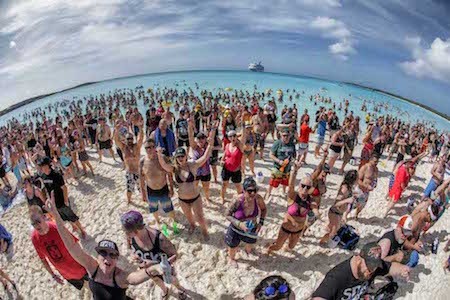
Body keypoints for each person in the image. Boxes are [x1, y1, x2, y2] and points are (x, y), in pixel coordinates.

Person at [45, 192, 165, 300]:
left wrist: (152, 270)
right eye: (103, 253)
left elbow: (134, 278)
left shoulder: (119, 276)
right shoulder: (92, 267)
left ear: (117, 259)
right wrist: (56, 215)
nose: (107, 258)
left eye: (112, 255)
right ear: (97, 256)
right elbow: (71, 245)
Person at [157, 129, 216, 240]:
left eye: (182, 156)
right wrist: (159, 155)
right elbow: (164, 166)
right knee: (189, 217)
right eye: (178, 157)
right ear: (176, 158)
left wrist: (210, 140)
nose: (180, 159)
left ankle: (204, 231)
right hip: (182, 199)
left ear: (186, 156)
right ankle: (192, 225)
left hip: (195, 198)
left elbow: (205, 157)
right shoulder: (174, 169)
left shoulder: (192, 165)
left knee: (200, 218)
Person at [120, 211, 186, 299]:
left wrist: (154, 263)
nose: (125, 233)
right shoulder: (130, 237)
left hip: (164, 267)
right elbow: (131, 248)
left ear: (136, 230)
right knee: (156, 280)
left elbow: (174, 255)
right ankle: (165, 290)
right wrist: (136, 255)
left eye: (127, 231)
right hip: (148, 268)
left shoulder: (159, 238)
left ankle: (179, 288)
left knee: (173, 279)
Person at [312, 242, 410, 300]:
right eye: (369, 267)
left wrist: (403, 270)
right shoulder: (337, 277)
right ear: (359, 259)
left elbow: (392, 267)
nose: (371, 271)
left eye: (375, 267)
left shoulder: (373, 267)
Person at [30, 205, 89, 290]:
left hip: (81, 268)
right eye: (33, 223)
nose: (36, 226)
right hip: (67, 275)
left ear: (44, 217)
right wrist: (53, 275)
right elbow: (43, 259)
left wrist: (85, 262)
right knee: (83, 287)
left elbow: (75, 244)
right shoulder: (34, 238)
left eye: (38, 221)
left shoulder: (56, 228)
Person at [266, 163, 312, 254]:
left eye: (308, 187)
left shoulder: (310, 200)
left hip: (298, 230)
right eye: (303, 185)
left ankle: (286, 249)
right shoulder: (293, 196)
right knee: (277, 246)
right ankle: (268, 250)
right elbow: (290, 185)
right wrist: (294, 171)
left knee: (291, 246)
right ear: (299, 186)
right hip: (286, 228)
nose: (305, 188)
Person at [38, 157, 87, 238]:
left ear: (47, 165)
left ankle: (82, 230)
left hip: (62, 201)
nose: (41, 168)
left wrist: (66, 200)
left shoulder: (56, 175)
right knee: (64, 217)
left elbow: (64, 188)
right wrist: (49, 200)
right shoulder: (43, 176)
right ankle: (73, 227)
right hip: (55, 203)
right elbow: (47, 189)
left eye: (42, 166)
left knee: (72, 216)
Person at [225, 177, 267, 266]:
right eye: (250, 191)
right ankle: (232, 258)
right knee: (232, 246)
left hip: (252, 227)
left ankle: (248, 252)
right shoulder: (237, 200)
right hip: (236, 228)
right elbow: (227, 215)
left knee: (249, 244)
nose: (253, 193)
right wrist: (240, 224)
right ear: (244, 191)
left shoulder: (258, 199)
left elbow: (263, 210)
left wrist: (261, 223)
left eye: (255, 190)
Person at [139, 139, 177, 234]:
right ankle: (158, 221)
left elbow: (169, 175)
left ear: (155, 147)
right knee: (153, 208)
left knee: (169, 208)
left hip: (163, 188)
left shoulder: (162, 158)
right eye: (148, 147)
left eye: (152, 146)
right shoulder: (142, 161)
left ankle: (174, 221)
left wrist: (171, 189)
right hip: (151, 190)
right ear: (145, 149)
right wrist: (143, 193)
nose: (151, 149)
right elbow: (141, 178)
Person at [320, 170, 358, 245]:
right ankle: (322, 242)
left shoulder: (349, 187)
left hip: (339, 213)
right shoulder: (344, 189)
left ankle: (325, 237)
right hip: (335, 212)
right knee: (333, 232)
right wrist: (347, 200)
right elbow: (336, 203)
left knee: (331, 227)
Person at [114, 121, 144, 203]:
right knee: (129, 190)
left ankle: (144, 199)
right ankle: (129, 201)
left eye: (131, 138)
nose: (130, 140)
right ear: (125, 139)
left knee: (142, 188)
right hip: (129, 172)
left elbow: (140, 138)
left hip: (138, 172)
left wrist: (141, 128)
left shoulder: (137, 147)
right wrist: (117, 130)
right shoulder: (123, 147)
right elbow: (116, 140)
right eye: (128, 139)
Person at [221, 115, 247, 204]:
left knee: (238, 187)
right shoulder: (227, 145)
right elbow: (223, 156)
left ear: (236, 136)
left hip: (236, 170)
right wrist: (221, 161)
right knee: (224, 185)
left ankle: (241, 200)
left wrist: (243, 125)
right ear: (228, 138)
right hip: (226, 169)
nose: (232, 138)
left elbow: (243, 137)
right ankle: (222, 198)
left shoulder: (240, 145)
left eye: (234, 136)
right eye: (230, 137)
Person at [265, 127, 296, 201]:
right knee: (272, 181)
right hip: (278, 167)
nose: (285, 137)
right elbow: (271, 154)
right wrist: (279, 161)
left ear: (290, 135)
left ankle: (283, 191)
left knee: (285, 181)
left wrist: (293, 161)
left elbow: (294, 156)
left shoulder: (292, 144)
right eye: (284, 135)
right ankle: (269, 192)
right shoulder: (277, 143)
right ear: (281, 135)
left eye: (287, 135)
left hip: (287, 167)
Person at [351, 153, 379, 219]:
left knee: (362, 205)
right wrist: (366, 186)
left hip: (367, 191)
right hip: (360, 189)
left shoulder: (376, 169)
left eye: (377, 162)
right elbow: (358, 180)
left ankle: (356, 215)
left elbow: (375, 179)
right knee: (353, 204)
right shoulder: (365, 167)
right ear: (370, 160)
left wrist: (374, 185)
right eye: (375, 162)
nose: (376, 163)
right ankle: (345, 215)